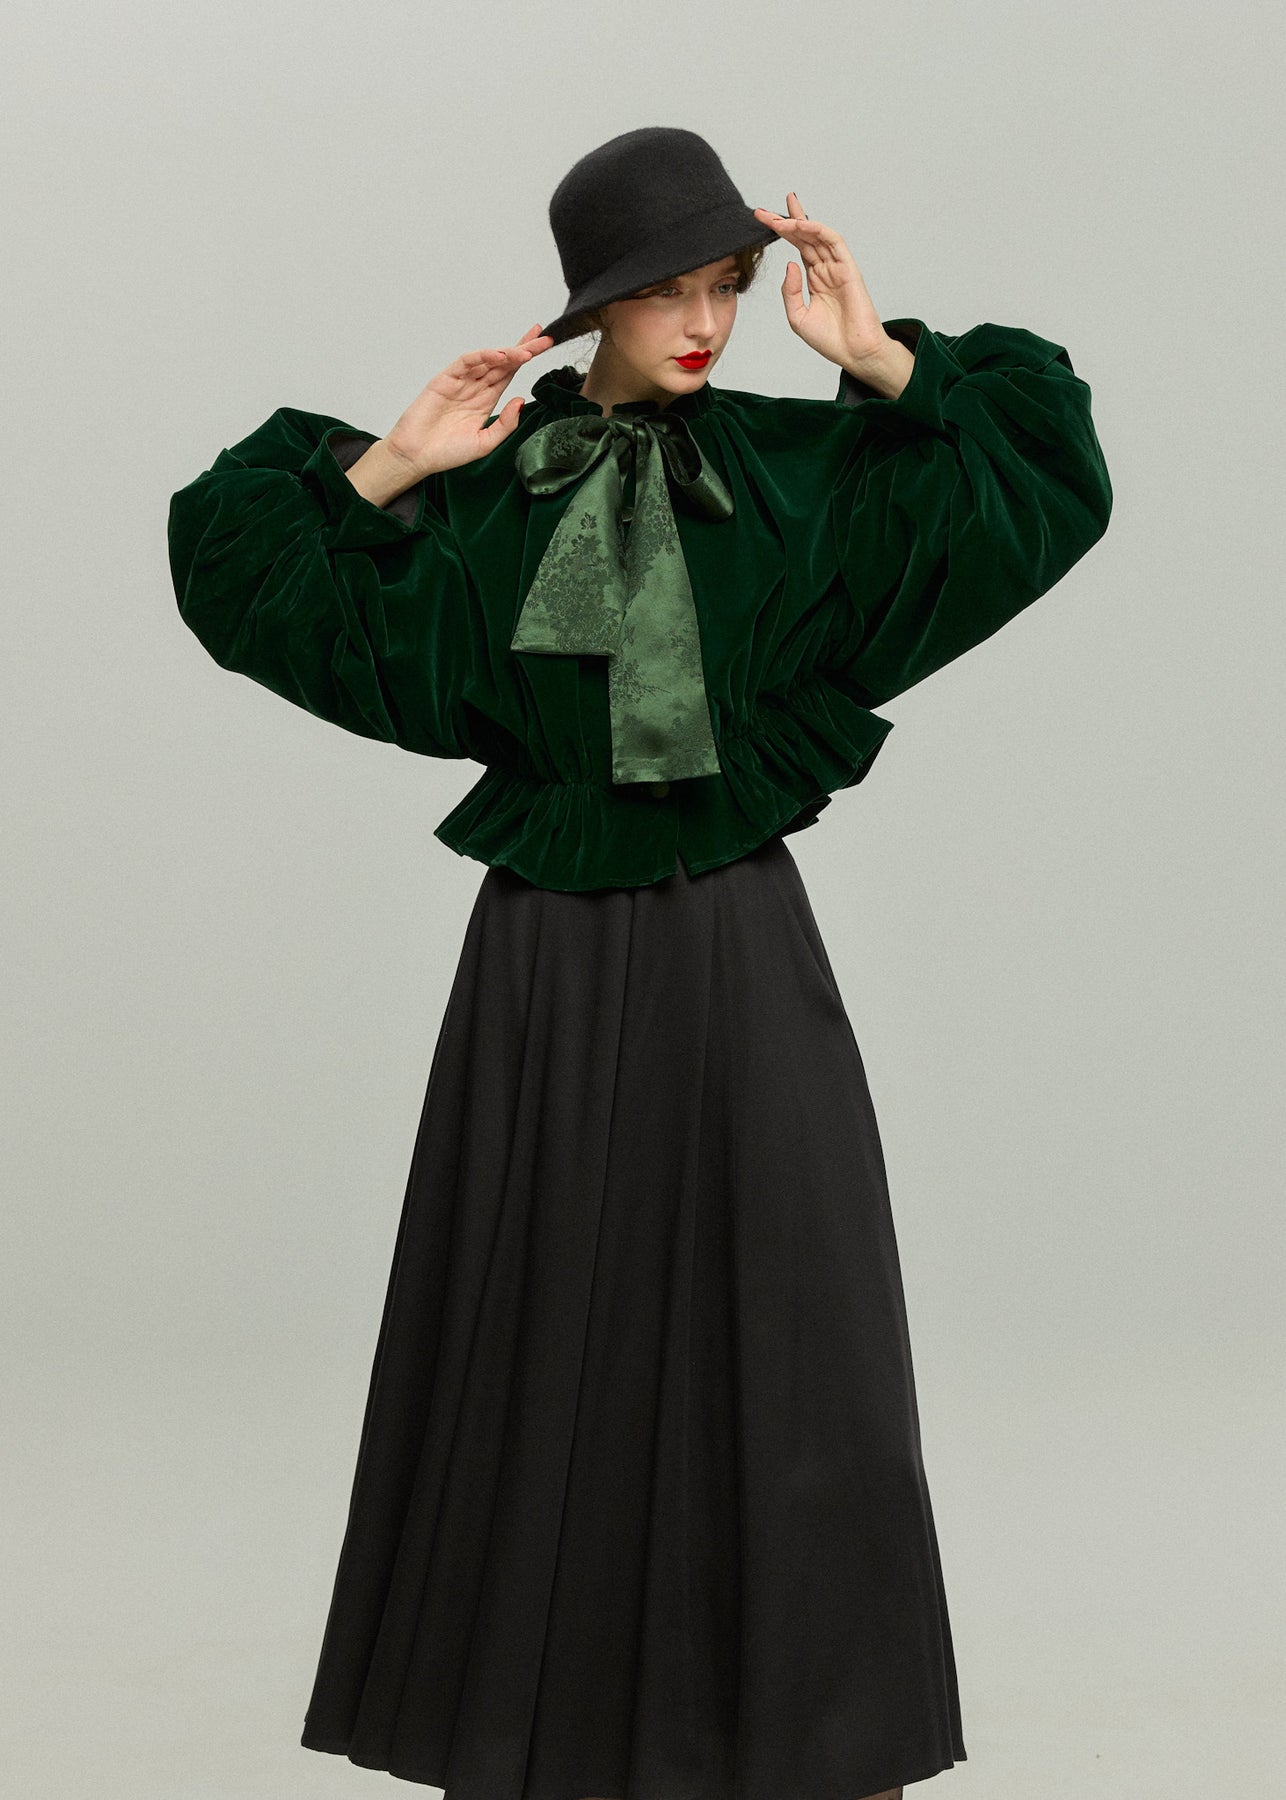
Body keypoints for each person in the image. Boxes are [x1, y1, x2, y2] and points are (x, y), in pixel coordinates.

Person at [167, 127, 1113, 1800]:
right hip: (540, 955)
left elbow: (1037, 480)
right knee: (538, 1334)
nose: (703, 323)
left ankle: (796, 1742)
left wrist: (878, 357)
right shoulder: (482, 493)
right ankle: (531, 1742)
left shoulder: (801, 474)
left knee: (793, 1331)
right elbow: (246, 575)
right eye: (667, 290)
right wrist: (388, 464)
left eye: (726, 287)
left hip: (735, 933)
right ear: (592, 302)